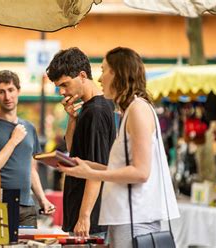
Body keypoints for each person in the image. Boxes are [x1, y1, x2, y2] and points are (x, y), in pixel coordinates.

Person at [59, 47, 180, 248]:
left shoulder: (138, 110)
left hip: (135, 219)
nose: (99, 79)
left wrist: (92, 173)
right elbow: (124, 170)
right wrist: (88, 166)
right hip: (127, 218)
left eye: (104, 70)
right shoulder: (132, 110)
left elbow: (141, 172)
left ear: (118, 74)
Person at [46, 47, 116, 238]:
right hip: (84, 215)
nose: (61, 91)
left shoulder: (97, 111)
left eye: (65, 84)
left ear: (83, 75)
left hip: (90, 221)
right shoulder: (87, 108)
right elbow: (72, 149)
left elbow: (97, 169)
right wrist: (72, 118)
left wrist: (84, 216)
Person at [0, 70, 55, 227]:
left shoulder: (29, 127)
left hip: (27, 206)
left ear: (18, 91)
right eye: (1, 92)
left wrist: (42, 199)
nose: (7, 97)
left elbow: (31, 169)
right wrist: (13, 141)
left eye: (11, 90)